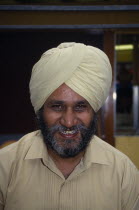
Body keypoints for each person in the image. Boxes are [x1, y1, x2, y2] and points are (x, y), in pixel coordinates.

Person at [0, 42, 138, 210]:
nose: (69, 121)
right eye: (57, 107)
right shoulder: (6, 166)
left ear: (94, 110)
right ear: (41, 110)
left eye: (80, 107)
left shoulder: (123, 172)